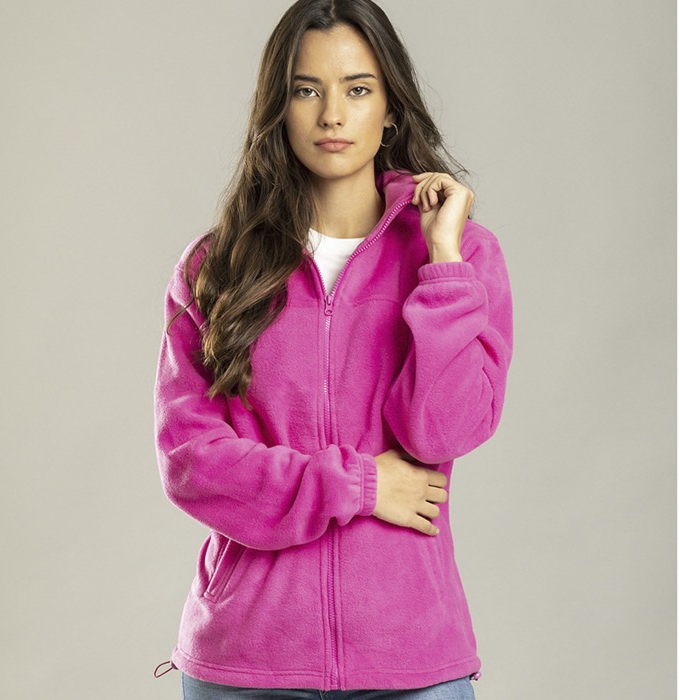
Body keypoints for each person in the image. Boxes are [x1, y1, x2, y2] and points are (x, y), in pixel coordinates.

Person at [153, 0, 513, 698]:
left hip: (410, 659)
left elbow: (444, 431)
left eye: (358, 89)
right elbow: (191, 462)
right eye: (306, 90)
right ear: (279, 108)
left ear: (391, 108)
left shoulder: (463, 256)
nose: (332, 115)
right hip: (246, 660)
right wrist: (360, 485)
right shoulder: (216, 267)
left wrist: (441, 262)